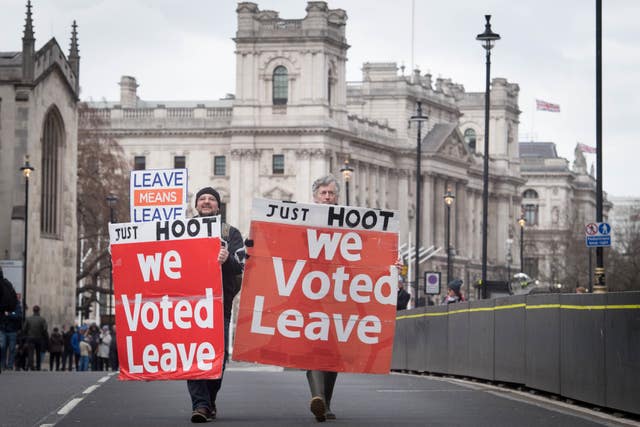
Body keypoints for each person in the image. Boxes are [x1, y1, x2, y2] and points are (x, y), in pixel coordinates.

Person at [187, 187, 245, 423]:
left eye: (211, 199)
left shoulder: (231, 233)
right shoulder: (181, 230)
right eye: (203, 199)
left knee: (217, 357)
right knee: (193, 355)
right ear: (196, 205)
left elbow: (241, 267)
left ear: (218, 206)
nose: (207, 202)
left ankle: (209, 399)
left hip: (220, 303)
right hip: (188, 304)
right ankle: (200, 404)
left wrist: (226, 258)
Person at [306, 175, 341, 422]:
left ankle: (326, 401)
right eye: (323, 193)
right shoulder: (302, 220)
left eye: (331, 193)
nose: (327, 197)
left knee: (334, 352)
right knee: (314, 348)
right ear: (315, 196)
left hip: (340, 295)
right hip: (308, 294)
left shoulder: (349, 222)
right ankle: (318, 399)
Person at [22, 305, 48, 370]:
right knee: (38, 353)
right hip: (39, 338)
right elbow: (45, 329)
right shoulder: (42, 319)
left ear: (33, 311)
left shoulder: (28, 319)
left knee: (30, 353)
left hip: (30, 337)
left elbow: (24, 329)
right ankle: (38, 366)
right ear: (39, 311)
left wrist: (26, 335)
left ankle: (31, 366)